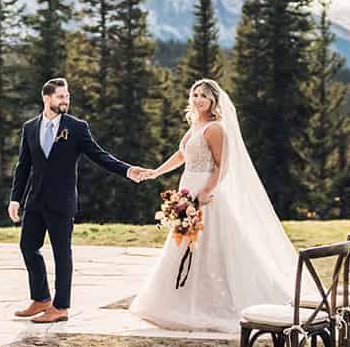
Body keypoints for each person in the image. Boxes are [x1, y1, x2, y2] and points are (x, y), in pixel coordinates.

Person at [127, 78, 298, 332]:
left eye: (203, 96)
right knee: (183, 243)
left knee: (208, 247)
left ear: (213, 101)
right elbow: (182, 155)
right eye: (195, 95)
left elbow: (222, 164)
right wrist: (156, 173)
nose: (198, 100)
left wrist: (206, 192)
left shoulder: (216, 128)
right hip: (188, 189)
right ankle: (179, 301)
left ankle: (213, 302)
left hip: (206, 194)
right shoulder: (197, 124)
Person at [8, 77, 149, 323]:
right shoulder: (30, 127)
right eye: (61, 96)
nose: (66, 100)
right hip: (35, 201)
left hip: (62, 202)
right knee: (28, 247)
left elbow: (99, 155)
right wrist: (15, 199)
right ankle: (41, 299)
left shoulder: (76, 127)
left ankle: (61, 307)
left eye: (67, 96)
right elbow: (24, 166)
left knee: (62, 253)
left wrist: (127, 170)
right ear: (47, 98)